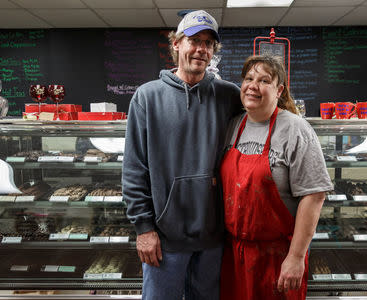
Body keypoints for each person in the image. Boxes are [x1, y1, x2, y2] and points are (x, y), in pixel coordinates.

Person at [122, 10, 241, 300]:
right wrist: (144, 228)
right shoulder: (147, 97)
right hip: (164, 239)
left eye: (209, 43)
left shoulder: (229, 96)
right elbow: (134, 168)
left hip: (213, 238)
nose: (201, 49)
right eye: (194, 40)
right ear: (176, 44)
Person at [219, 55, 333, 300]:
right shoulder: (234, 126)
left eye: (264, 81)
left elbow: (314, 196)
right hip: (235, 255)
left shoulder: (295, 129)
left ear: (279, 90)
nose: (253, 86)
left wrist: (296, 257)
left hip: (277, 258)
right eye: (249, 78)